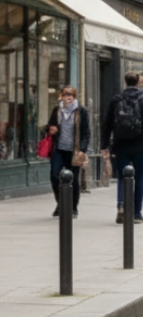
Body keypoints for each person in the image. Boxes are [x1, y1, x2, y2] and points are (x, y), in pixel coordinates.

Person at [102, 71, 143, 224]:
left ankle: (121, 205)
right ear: (138, 82)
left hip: (120, 144)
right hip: (140, 145)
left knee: (122, 176)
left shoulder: (116, 99)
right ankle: (137, 213)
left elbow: (107, 124)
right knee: (139, 178)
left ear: (125, 82)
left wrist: (104, 145)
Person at [45, 86, 90, 218]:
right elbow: (49, 126)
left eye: (71, 95)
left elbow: (86, 133)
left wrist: (82, 149)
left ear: (74, 97)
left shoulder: (81, 111)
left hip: (74, 151)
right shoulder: (57, 110)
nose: (68, 97)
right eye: (66, 95)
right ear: (61, 96)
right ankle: (61, 203)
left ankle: (73, 207)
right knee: (54, 176)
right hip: (58, 148)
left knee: (73, 179)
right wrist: (50, 129)